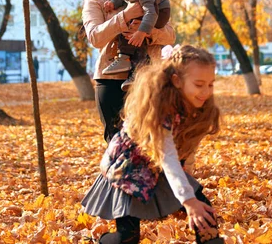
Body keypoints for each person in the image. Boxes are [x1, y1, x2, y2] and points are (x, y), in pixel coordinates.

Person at [81, 45, 224, 244]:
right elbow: (167, 156)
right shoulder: (160, 110)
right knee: (128, 238)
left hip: (162, 165)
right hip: (129, 168)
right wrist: (188, 200)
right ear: (176, 81)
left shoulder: (199, 106)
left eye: (211, 84)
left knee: (206, 219)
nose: (206, 92)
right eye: (199, 84)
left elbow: (185, 147)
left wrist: (189, 186)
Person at [82, 0, 175, 143]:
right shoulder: (95, 1)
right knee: (117, 145)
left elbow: (170, 35)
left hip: (146, 77)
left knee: (152, 141)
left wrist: (146, 32)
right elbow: (95, 38)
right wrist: (125, 16)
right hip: (110, 78)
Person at [100, 0, 171, 90]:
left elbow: (151, 12)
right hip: (146, 9)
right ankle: (124, 57)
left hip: (159, 11)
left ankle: (139, 69)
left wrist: (142, 32)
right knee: (125, 22)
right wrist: (113, 3)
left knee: (135, 28)